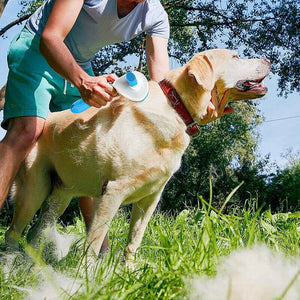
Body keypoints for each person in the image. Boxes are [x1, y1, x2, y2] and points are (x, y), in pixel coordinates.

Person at [0, 0, 232, 251]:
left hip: (79, 64)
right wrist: (84, 81)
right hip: (37, 49)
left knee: (88, 147)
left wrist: (196, 112)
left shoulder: (155, 16)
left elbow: (163, 89)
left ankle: (101, 257)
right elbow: (50, 37)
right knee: (27, 131)